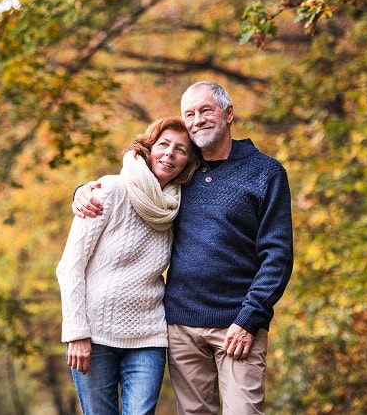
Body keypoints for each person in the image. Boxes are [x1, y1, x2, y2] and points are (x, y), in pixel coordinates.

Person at [74, 81, 294, 414]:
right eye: (189, 114)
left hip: (238, 323)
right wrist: (82, 191)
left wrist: (251, 318)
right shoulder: (181, 173)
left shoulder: (265, 172)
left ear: (228, 113)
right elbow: (135, 184)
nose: (197, 120)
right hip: (180, 326)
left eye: (206, 110)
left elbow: (277, 256)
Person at [57, 116, 200, 415]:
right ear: (148, 148)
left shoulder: (177, 207)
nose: (169, 154)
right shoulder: (109, 190)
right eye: (163, 144)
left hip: (148, 336)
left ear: (188, 162)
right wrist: (77, 332)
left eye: (180, 150)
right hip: (93, 336)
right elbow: (70, 266)